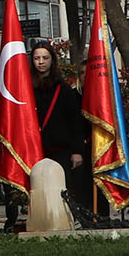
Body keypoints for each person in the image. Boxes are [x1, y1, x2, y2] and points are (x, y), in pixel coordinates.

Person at [29, 43, 90, 213]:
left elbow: (75, 122)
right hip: (36, 148)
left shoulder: (63, 89)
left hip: (61, 149)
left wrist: (77, 151)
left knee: (65, 188)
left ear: (52, 61)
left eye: (45, 58)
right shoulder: (27, 88)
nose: (41, 62)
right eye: (36, 58)